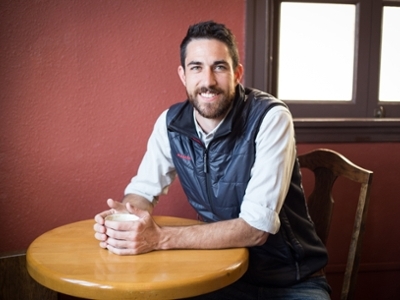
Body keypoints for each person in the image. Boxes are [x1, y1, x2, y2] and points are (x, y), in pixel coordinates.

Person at [94, 20, 331, 299]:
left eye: (219, 67)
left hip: (291, 280)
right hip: (218, 273)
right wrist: (124, 220)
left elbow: (256, 229)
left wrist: (159, 238)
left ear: (237, 73)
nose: (207, 81)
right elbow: (143, 190)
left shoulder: (270, 118)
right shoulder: (170, 124)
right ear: (183, 75)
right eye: (196, 67)